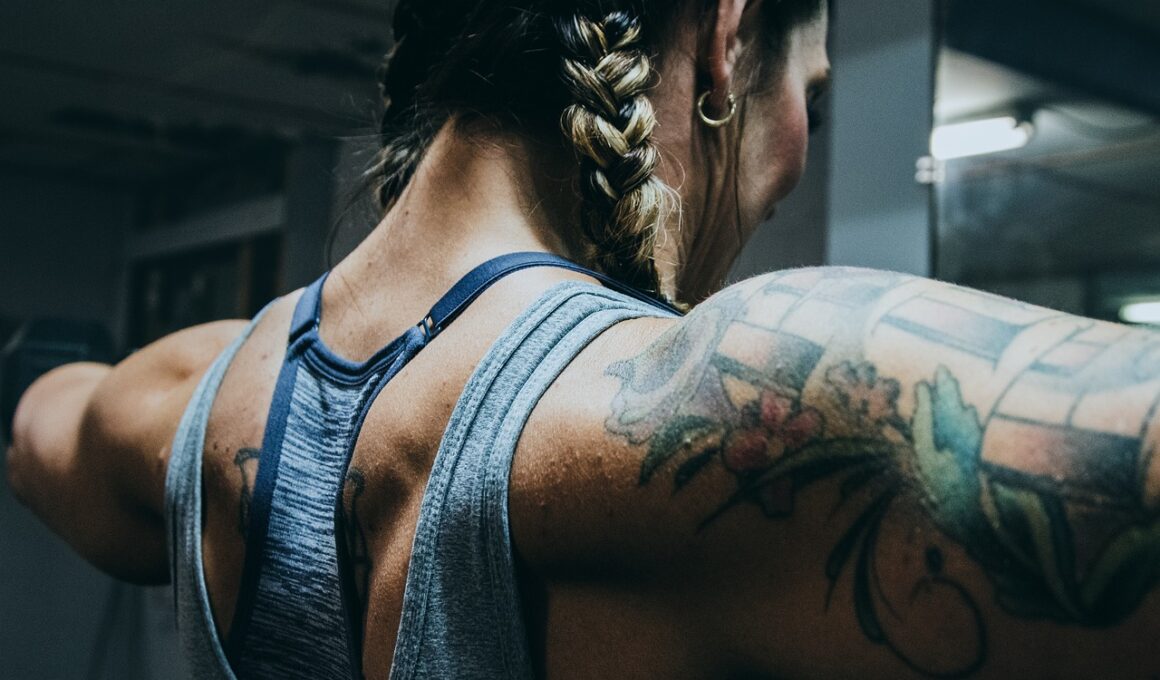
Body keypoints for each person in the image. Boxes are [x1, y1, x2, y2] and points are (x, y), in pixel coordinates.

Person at [7, 0, 1160, 677]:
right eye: (808, 92)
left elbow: (35, 420)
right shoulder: (705, 413)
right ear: (725, 38)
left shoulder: (181, 399)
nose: (794, 150)